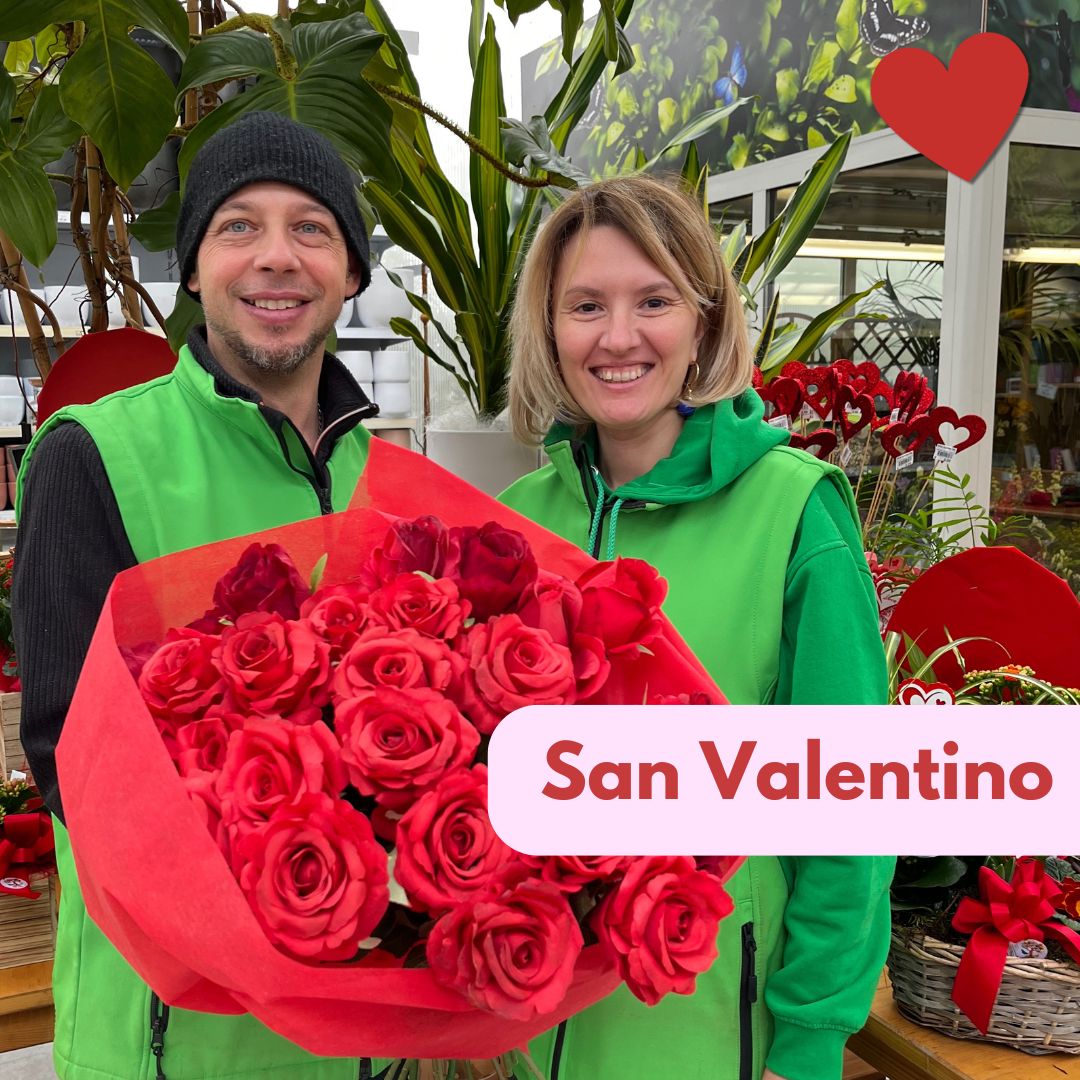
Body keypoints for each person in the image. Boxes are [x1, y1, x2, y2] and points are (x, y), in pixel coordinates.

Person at [499, 174, 895, 1080]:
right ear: (549, 331)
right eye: (585, 306)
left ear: (705, 324)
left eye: (654, 301)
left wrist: (810, 1039)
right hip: (532, 1032)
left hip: (712, 1028)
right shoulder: (514, 524)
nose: (618, 337)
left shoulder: (793, 512)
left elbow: (853, 806)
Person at [13, 111, 382, 1080]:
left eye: (311, 228)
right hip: (171, 1043)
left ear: (350, 271)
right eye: (238, 226)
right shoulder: (95, 456)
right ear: (193, 268)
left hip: (355, 1037)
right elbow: (72, 763)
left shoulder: (382, 482)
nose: (276, 257)